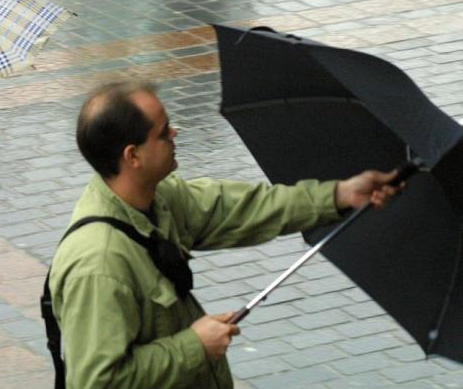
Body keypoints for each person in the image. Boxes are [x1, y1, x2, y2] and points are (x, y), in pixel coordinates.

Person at [47, 80, 400, 389]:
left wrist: (338, 195)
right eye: (163, 131)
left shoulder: (159, 198)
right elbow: (96, 383)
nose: (175, 134)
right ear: (133, 155)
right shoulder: (100, 265)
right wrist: (194, 347)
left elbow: (243, 208)